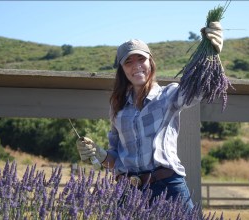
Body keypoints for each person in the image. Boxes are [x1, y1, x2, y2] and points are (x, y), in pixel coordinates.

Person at [76, 22, 223, 211]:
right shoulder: (117, 108)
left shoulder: (169, 95)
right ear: (122, 70)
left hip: (168, 187)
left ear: (150, 62)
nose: (136, 66)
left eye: (141, 59)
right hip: (128, 191)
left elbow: (199, 90)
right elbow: (115, 158)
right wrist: (98, 154)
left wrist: (212, 55)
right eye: (128, 62)